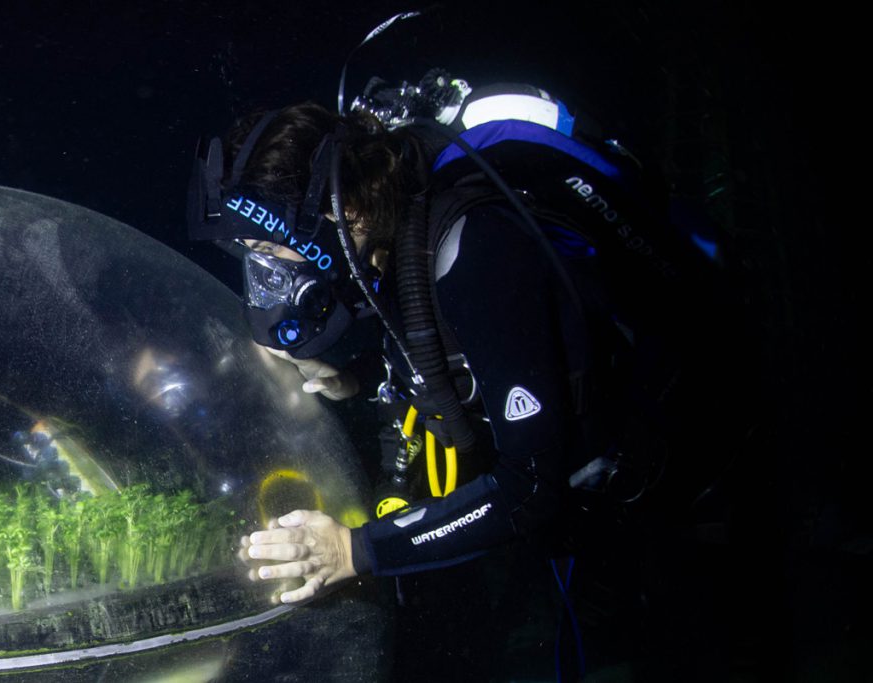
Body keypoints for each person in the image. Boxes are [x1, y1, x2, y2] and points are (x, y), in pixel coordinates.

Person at [186, 75, 720, 605]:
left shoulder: (475, 252)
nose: (270, 273)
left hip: (677, 494)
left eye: (273, 249)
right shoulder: (393, 246)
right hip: (596, 518)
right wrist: (355, 379)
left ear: (341, 210)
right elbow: (457, 362)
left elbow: (530, 487)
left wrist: (352, 550)